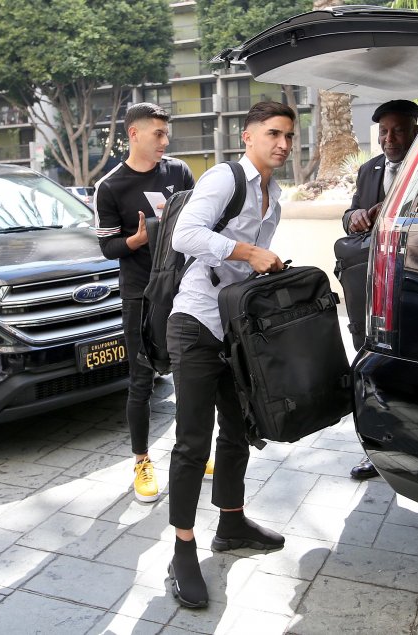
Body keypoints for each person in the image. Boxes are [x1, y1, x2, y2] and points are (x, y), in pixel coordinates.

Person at [165, 101, 296, 609]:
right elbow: (184, 236)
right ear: (248, 136)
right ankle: (182, 549)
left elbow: (249, 270)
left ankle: (232, 522)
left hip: (235, 329)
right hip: (196, 323)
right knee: (192, 444)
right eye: (273, 134)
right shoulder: (225, 179)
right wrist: (247, 252)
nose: (282, 143)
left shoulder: (275, 196)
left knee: (238, 429)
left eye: (288, 135)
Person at [96, 102, 195, 503]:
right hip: (139, 296)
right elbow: (107, 247)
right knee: (142, 381)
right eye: (157, 134)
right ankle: (141, 461)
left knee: (192, 375)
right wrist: (134, 241)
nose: (164, 141)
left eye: (166, 134)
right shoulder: (110, 186)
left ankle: (191, 453)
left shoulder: (179, 172)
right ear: (133, 135)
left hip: (184, 289)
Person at [342, 99, 418, 480]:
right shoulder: (367, 169)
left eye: (398, 130)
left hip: (411, 284)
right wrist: (354, 216)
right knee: (368, 360)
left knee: (410, 362)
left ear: (415, 130)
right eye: (384, 131)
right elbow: (349, 217)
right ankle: (376, 448)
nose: (390, 139)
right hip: (367, 286)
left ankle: (417, 445)